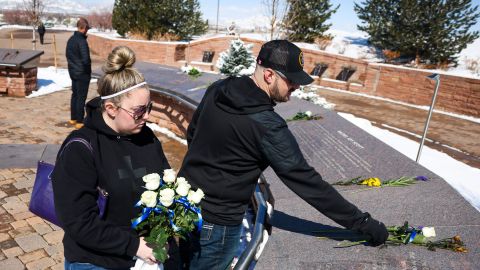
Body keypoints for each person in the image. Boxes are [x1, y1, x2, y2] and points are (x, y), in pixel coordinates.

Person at [178, 40, 388, 270]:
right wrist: (363, 223)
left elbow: (194, 134)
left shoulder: (220, 87)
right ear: (269, 75)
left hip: (184, 203)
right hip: (218, 223)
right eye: (291, 80)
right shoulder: (268, 125)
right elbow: (306, 181)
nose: (297, 86)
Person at [52, 46, 170, 269]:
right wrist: (134, 246)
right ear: (111, 108)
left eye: (149, 107)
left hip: (145, 255)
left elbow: (165, 184)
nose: (147, 116)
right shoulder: (80, 148)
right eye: (139, 111)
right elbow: (79, 222)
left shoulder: (147, 137)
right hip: (96, 260)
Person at [66, 17, 92, 130]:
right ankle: (79, 121)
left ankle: (73, 118)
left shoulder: (71, 39)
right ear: (84, 28)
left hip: (73, 72)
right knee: (81, 97)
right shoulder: (82, 41)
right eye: (87, 29)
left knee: (75, 95)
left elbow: (68, 56)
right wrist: (85, 70)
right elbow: (86, 60)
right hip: (82, 74)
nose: (88, 31)